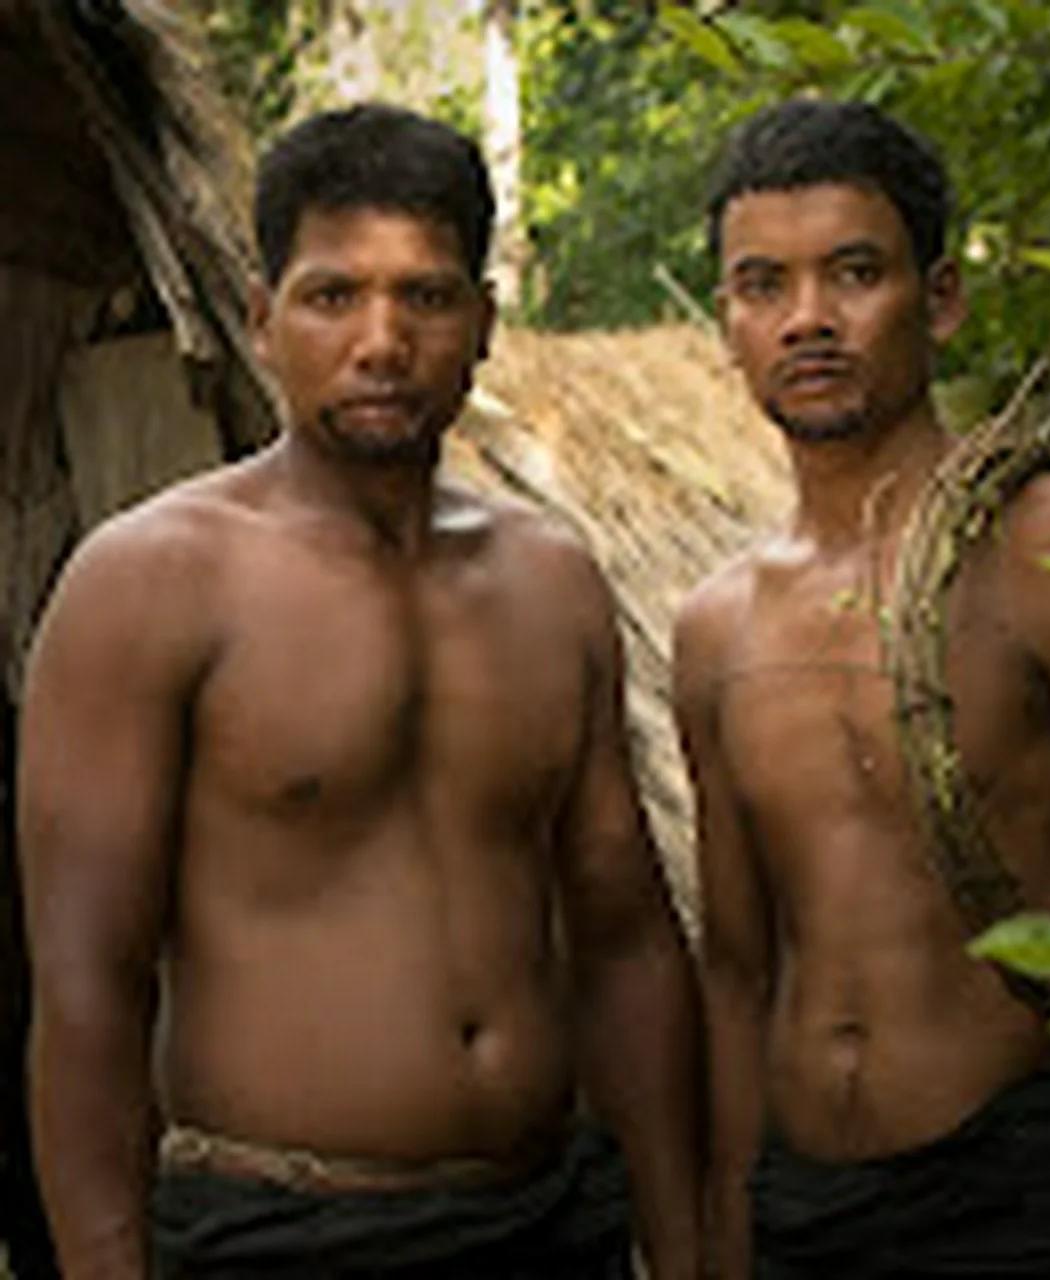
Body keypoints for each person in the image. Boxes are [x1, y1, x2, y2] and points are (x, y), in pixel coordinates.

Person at [19, 103, 700, 1280]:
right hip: (280, 1229)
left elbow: (626, 938)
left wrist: (691, 1244)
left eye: (425, 296)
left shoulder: (552, 583)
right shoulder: (150, 584)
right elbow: (86, 985)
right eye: (332, 296)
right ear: (259, 319)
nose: (381, 340)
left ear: (482, 324)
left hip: (548, 1214)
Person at [676, 97, 1050, 1279]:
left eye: (853, 272)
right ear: (725, 317)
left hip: (1017, 1185)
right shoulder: (715, 625)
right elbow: (733, 962)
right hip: (800, 1204)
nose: (806, 319)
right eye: (761, 284)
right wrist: (727, 1229)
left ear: (938, 297)